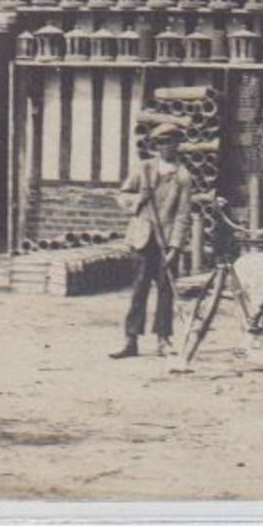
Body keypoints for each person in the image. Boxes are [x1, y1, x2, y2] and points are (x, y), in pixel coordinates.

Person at [110, 122, 194, 359]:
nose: (167, 147)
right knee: (139, 290)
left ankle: (163, 339)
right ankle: (131, 340)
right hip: (142, 239)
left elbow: (183, 215)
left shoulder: (183, 176)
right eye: (162, 142)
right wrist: (139, 199)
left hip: (166, 243)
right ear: (156, 146)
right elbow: (122, 195)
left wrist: (175, 247)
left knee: (166, 291)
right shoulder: (144, 169)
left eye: (172, 142)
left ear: (178, 145)